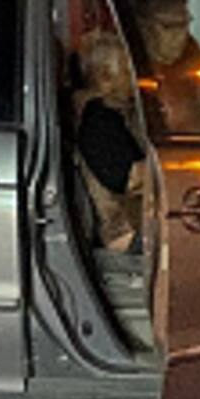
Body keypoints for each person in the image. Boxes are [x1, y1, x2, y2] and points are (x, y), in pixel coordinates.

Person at [74, 31, 146, 253]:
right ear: (105, 76)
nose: (135, 78)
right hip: (121, 232)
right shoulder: (98, 119)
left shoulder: (116, 113)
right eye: (127, 71)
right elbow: (126, 178)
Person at [133, 0, 200, 132]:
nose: (181, 36)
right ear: (143, 26)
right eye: (169, 27)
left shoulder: (193, 59)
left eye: (184, 24)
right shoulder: (126, 67)